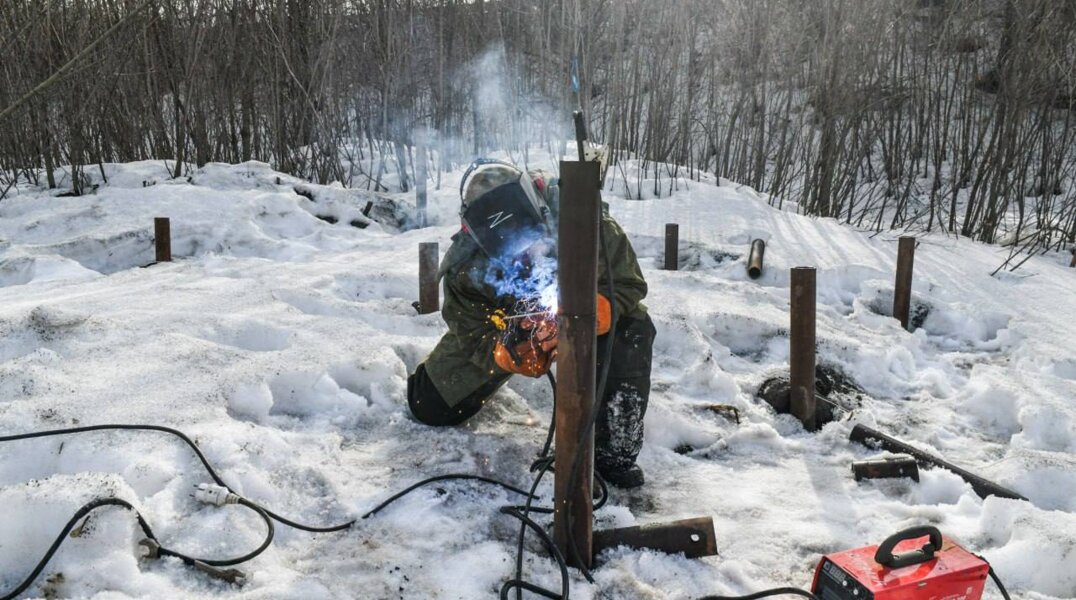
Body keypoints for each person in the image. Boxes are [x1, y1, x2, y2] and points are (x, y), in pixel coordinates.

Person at [406, 159, 655, 488]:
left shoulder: (581, 216)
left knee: (633, 328)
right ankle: (433, 386)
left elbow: (628, 283)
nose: (528, 256)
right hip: (505, 320)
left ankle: (613, 454)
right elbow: (471, 331)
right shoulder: (466, 267)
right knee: (429, 406)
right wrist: (502, 351)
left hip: (581, 308)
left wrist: (603, 308)